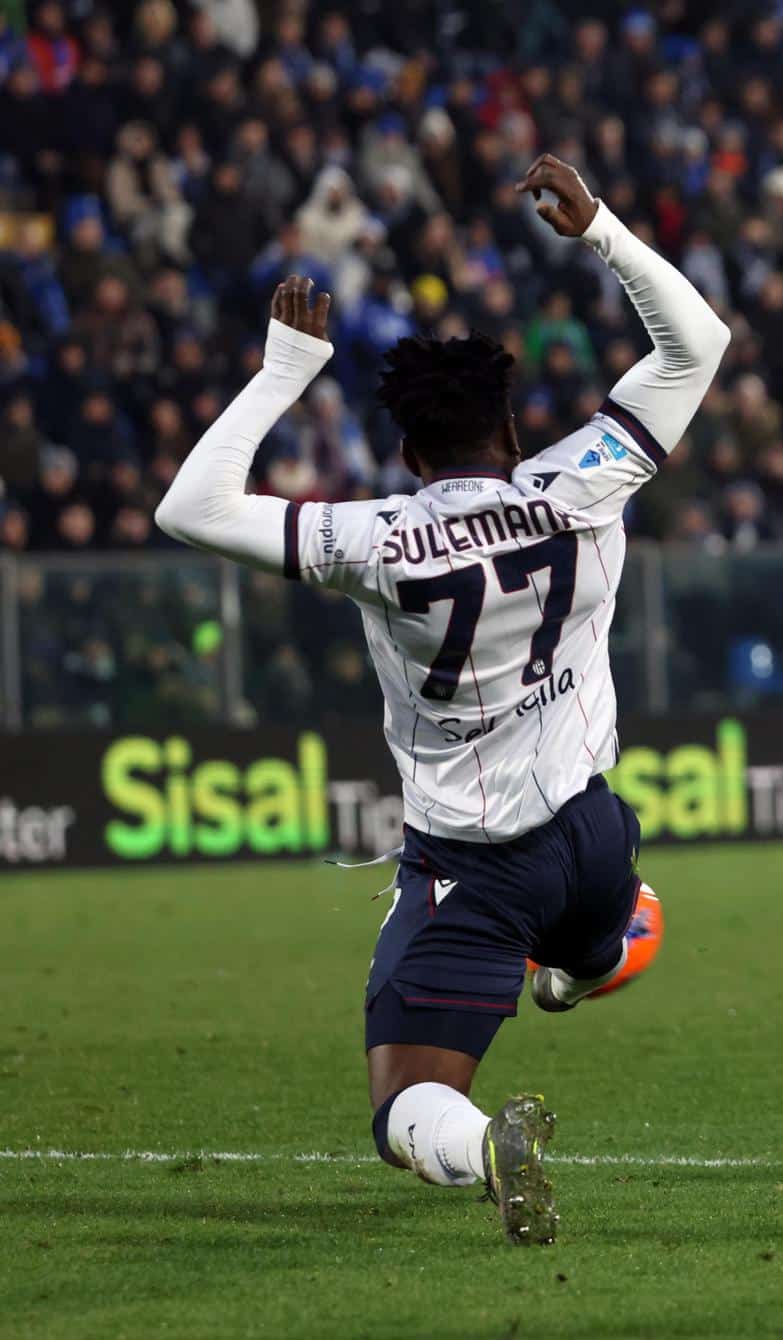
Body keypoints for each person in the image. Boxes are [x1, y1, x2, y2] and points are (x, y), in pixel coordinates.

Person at [153, 156, 729, 1243]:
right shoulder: (580, 478)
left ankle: (485, 1142)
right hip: (597, 833)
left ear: (409, 453)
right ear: (510, 438)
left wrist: (286, 369)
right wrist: (601, 227)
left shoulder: (376, 537)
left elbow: (190, 506)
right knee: (597, 930)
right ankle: (587, 959)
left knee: (403, 1103)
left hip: (476, 864)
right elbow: (699, 343)